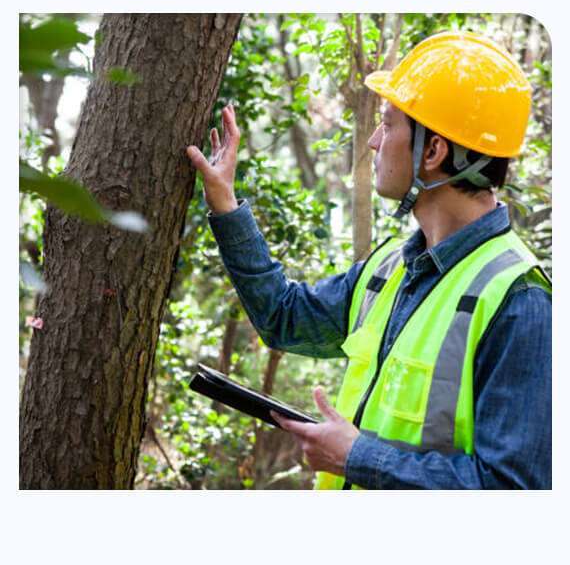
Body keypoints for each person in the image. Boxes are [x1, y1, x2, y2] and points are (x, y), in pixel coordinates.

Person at [186, 31, 552, 490]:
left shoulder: (520, 300)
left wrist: (358, 458)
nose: (375, 141)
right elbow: (283, 316)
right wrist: (225, 202)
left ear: (434, 151)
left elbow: (514, 490)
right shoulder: (392, 269)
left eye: (388, 123)